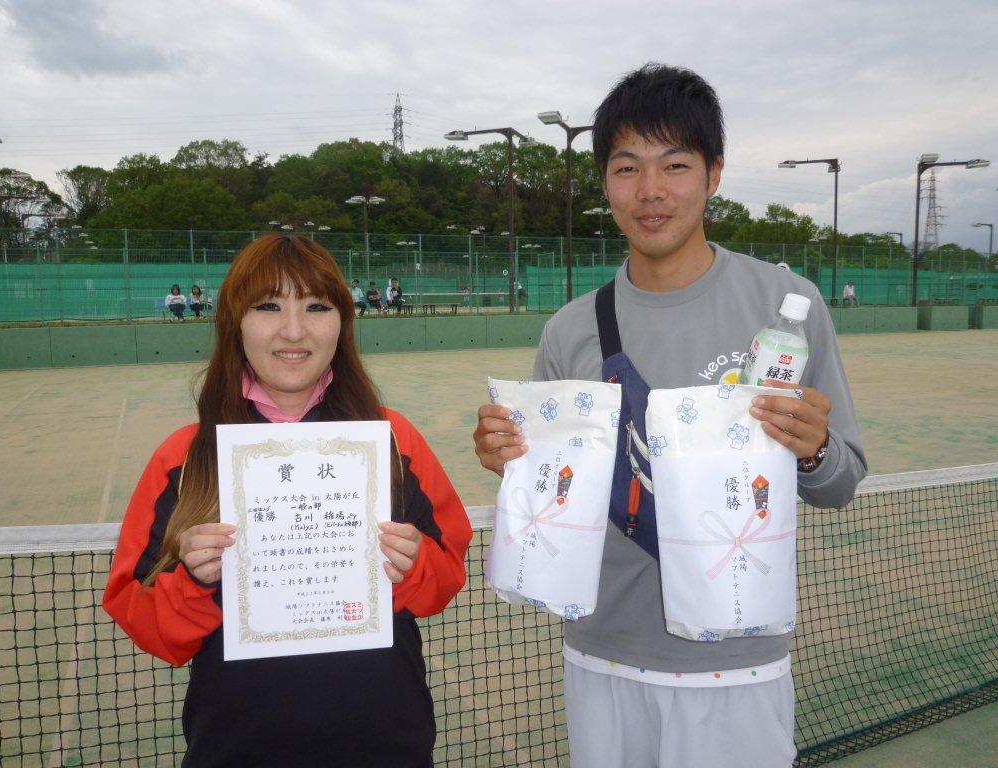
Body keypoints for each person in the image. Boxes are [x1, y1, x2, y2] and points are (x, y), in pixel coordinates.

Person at [473, 63, 866, 768]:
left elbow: (840, 481)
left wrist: (812, 451)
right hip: (603, 653)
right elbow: (557, 493)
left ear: (714, 175)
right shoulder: (570, 329)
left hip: (739, 659)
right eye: (627, 167)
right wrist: (511, 458)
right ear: (605, 182)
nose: (650, 190)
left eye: (675, 165)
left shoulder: (787, 305)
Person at [104, 234, 472, 768]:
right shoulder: (184, 456)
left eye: (317, 307)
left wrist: (413, 566)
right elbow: (142, 618)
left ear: (343, 322)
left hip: (387, 741)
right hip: (236, 747)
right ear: (234, 322)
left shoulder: (395, 441)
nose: (294, 330)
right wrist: (193, 582)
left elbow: (447, 574)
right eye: (268, 306)